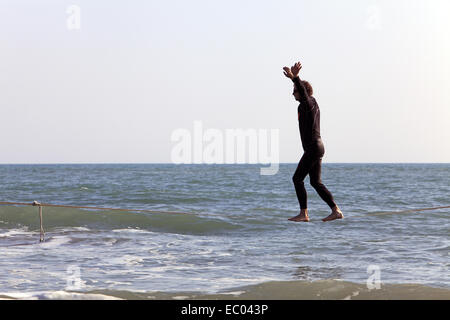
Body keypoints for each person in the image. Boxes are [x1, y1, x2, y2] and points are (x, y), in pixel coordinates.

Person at [283, 62, 343, 222]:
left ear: (302, 92)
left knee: (297, 179)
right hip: (317, 147)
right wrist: (294, 81)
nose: (293, 94)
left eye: (294, 91)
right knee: (315, 182)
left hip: (313, 148)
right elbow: (303, 93)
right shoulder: (311, 104)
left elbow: (303, 92)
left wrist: (295, 78)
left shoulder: (308, 104)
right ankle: (335, 210)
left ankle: (304, 214)